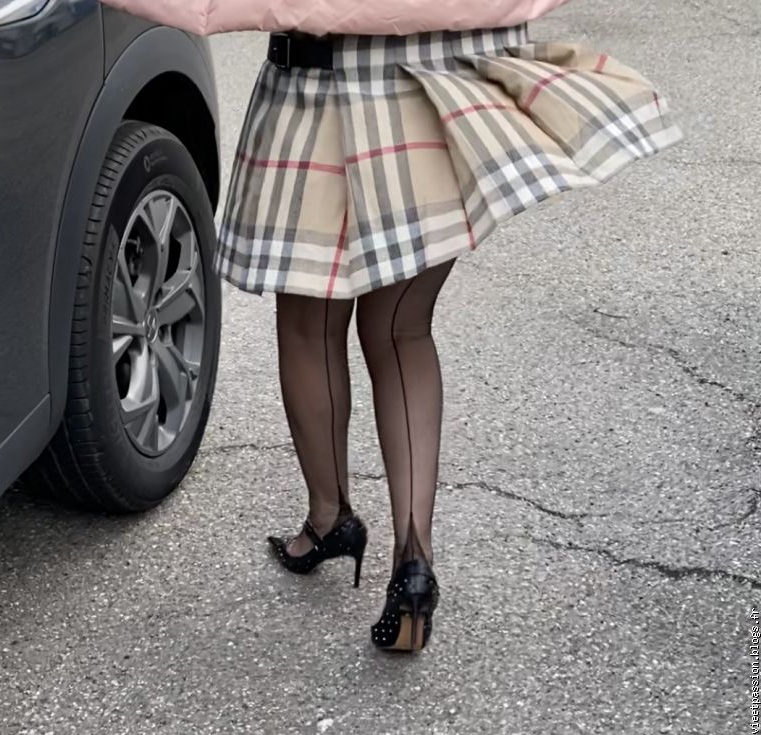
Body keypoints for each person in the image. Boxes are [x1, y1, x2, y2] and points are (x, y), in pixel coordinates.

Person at [216, 21, 681, 651]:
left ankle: (330, 519)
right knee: (401, 332)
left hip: (314, 93)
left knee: (308, 329)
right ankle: (413, 561)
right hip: (429, 98)